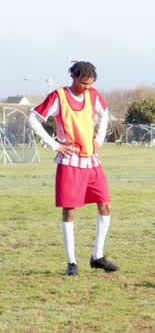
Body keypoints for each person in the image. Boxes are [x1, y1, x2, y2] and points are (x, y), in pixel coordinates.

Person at [27, 61, 119, 275]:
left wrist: (99, 139)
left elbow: (104, 115)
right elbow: (33, 118)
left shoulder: (94, 95)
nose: (87, 88)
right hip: (70, 161)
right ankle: (72, 262)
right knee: (69, 210)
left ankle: (98, 256)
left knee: (105, 205)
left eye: (90, 84)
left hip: (92, 160)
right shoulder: (58, 96)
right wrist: (55, 145)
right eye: (84, 83)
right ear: (74, 77)